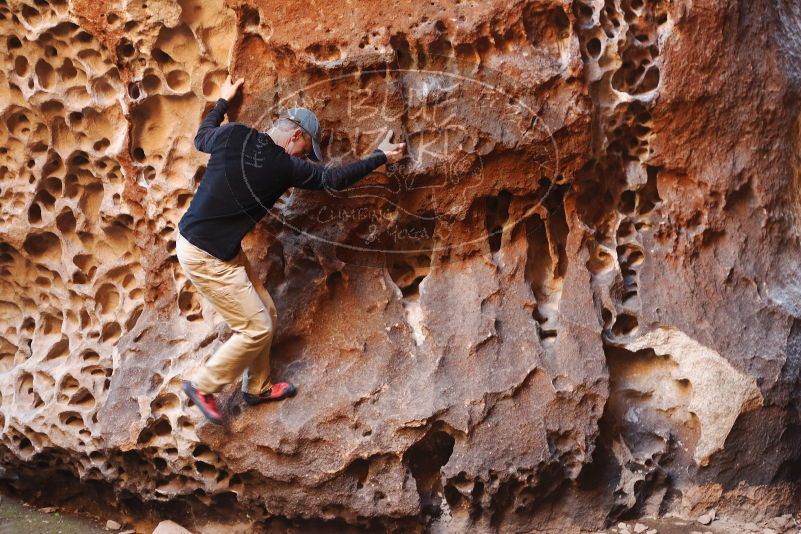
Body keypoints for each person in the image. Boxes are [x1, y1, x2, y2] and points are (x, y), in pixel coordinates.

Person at [176, 75, 405, 424]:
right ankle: (204, 386)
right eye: (306, 149)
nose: (305, 157)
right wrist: (379, 158)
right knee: (255, 328)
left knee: (265, 309)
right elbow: (332, 180)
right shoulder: (283, 166)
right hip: (206, 256)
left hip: (210, 246)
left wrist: (223, 102)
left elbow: (202, 135)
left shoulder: (232, 133)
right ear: (296, 136)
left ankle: (257, 388)